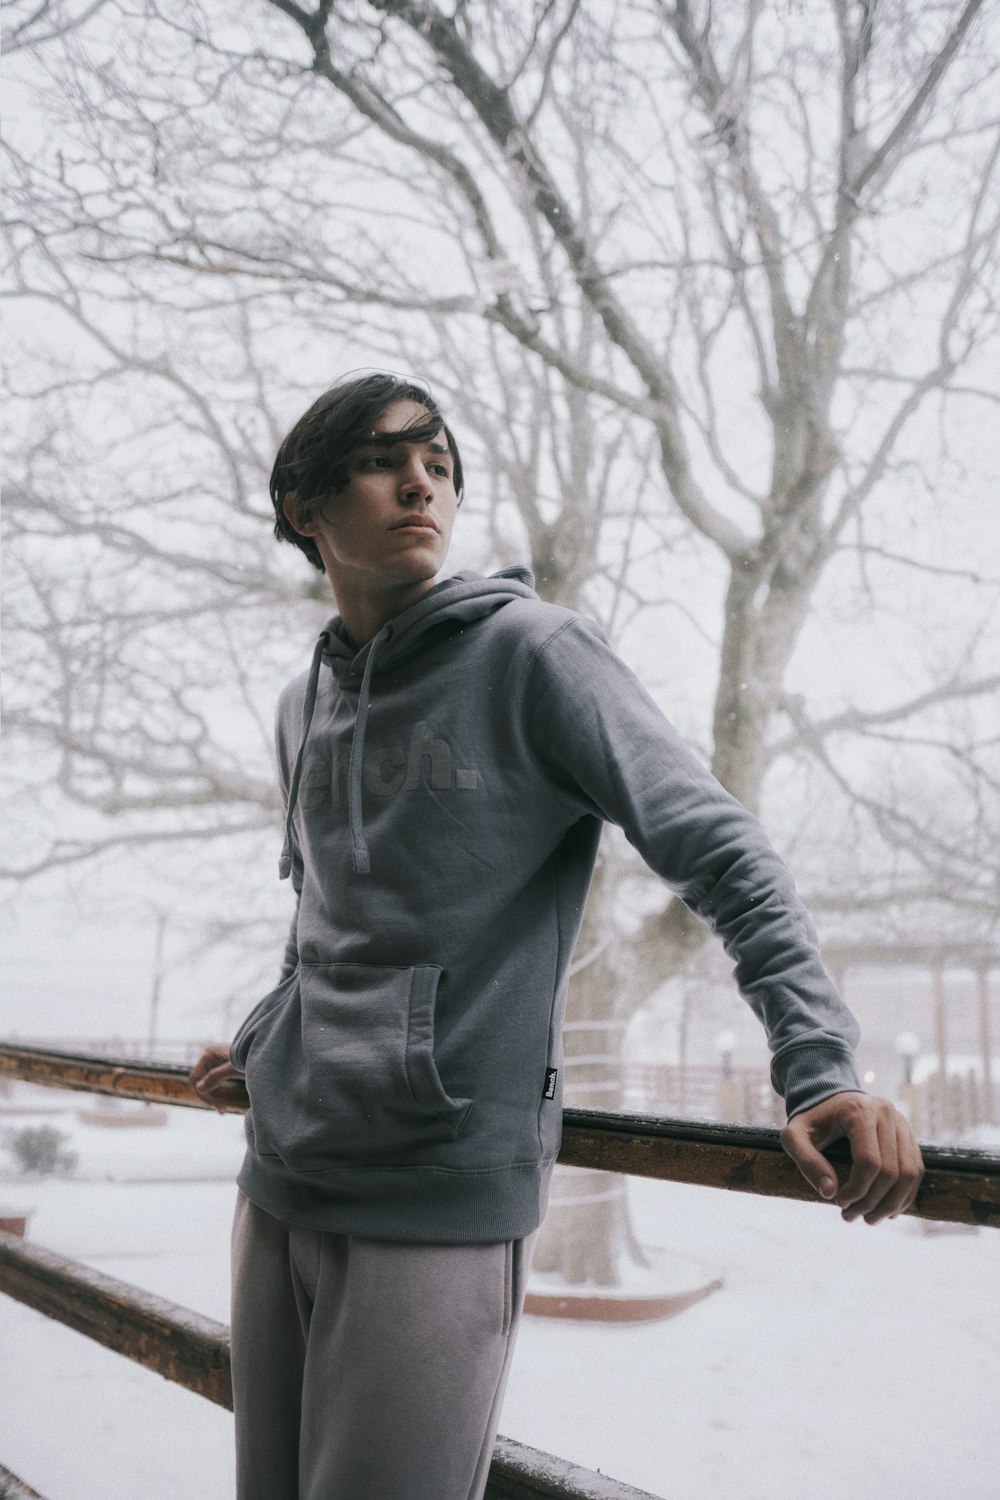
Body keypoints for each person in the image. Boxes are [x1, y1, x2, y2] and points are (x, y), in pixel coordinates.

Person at [190, 370, 924, 1500]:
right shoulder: (305, 702)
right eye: (385, 460)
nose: (419, 483)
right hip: (281, 1174)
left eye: (437, 465)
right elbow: (321, 923)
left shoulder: (534, 655)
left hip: (439, 1192)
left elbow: (725, 855)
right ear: (303, 502)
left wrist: (817, 1064)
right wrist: (266, 1040)